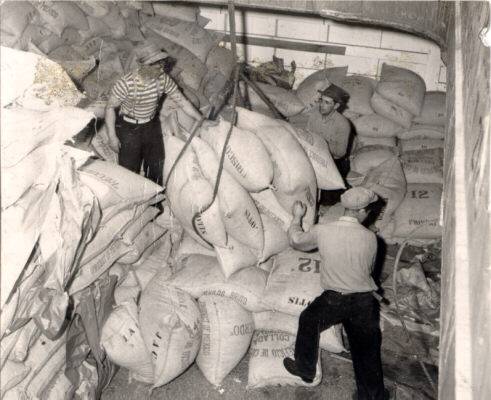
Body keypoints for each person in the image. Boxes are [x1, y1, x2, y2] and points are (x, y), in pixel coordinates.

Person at [283, 187, 387, 400]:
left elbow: (296, 240)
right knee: (366, 350)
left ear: (346, 208)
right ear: (362, 211)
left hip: (334, 300)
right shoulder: (372, 238)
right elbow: (369, 269)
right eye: (368, 210)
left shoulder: (324, 230)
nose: (368, 214)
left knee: (308, 320)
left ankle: (306, 371)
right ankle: (373, 396)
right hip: (364, 302)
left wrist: (297, 216)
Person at [105, 42, 203, 186]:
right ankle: (132, 204)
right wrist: (112, 137)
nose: (161, 68)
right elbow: (109, 108)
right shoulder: (126, 83)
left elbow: (182, 100)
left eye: (162, 63)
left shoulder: (163, 79)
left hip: (151, 125)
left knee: (156, 165)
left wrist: (201, 119)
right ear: (143, 65)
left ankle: (155, 201)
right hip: (129, 128)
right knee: (129, 170)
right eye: (155, 64)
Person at [306, 83, 352, 160]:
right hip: (314, 154)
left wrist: (321, 142)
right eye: (321, 100)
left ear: (336, 106)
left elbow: (341, 152)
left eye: (327, 102)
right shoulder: (314, 115)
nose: (322, 105)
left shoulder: (343, 123)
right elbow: (308, 133)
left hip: (333, 160)